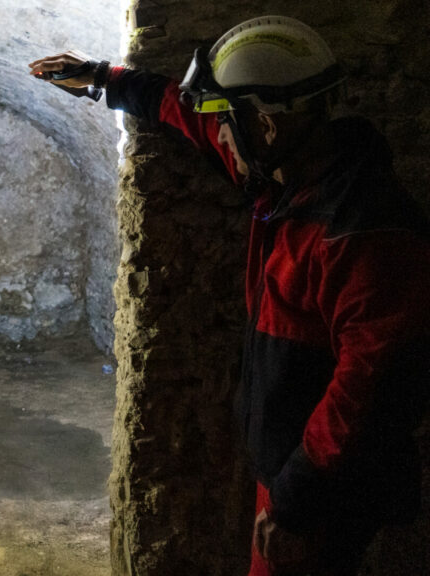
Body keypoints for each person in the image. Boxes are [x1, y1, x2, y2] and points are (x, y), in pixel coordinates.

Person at [31, 15, 429, 576]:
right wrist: (105, 79)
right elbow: (185, 113)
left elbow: (371, 390)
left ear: (264, 126)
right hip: (294, 470)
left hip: (328, 490)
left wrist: (294, 501)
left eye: (227, 123)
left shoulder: (362, 233)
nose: (217, 136)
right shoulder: (290, 178)